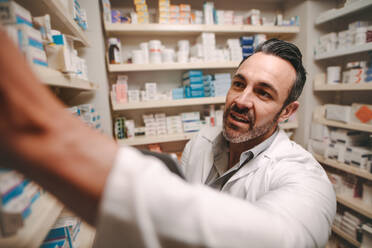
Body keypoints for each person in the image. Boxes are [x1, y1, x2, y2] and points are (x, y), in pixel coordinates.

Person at [0, 25, 335, 248]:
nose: (241, 100)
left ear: (288, 111)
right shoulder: (203, 141)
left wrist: (42, 133)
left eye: (263, 93)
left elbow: (280, 240)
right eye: (239, 83)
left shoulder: (305, 178)